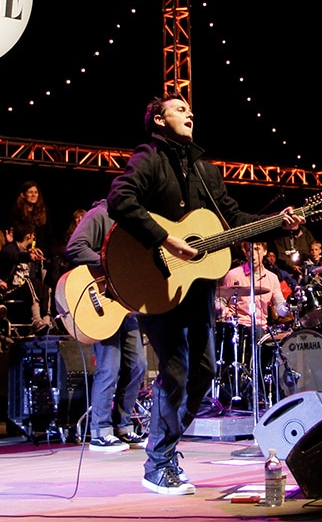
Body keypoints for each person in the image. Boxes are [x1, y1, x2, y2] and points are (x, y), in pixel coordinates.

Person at [106, 93, 304, 495]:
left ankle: (164, 451)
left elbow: (235, 220)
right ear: (158, 119)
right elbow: (119, 199)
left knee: (204, 371)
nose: (190, 113)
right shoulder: (148, 157)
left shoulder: (205, 170)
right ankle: (159, 463)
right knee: (175, 370)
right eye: (179, 109)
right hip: (155, 281)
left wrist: (277, 223)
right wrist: (166, 239)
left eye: (190, 109)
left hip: (196, 286)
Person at [63, 198, 147, 452]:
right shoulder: (100, 214)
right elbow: (75, 247)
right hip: (102, 302)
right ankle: (100, 431)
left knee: (138, 366)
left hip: (126, 305)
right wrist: (109, 263)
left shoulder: (135, 222)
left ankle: (123, 426)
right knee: (109, 368)